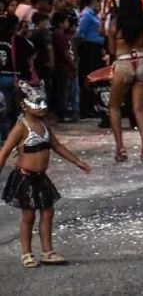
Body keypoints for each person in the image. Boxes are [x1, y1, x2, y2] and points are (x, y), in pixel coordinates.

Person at [0, 82, 91, 268]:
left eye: (44, 102)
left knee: (48, 212)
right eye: (37, 102)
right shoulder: (21, 127)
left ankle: (47, 251)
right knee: (29, 216)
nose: (43, 107)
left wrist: (77, 162)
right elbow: (4, 152)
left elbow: (57, 146)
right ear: (24, 105)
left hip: (41, 178)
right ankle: (26, 253)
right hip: (25, 178)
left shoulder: (45, 125)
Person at [107, 0, 143, 162]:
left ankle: (120, 148)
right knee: (139, 109)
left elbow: (111, 50)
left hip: (123, 65)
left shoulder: (115, 24)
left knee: (114, 107)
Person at [77, 0, 105, 118]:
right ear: (93, 1)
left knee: (96, 77)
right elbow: (80, 33)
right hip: (89, 48)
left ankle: (93, 105)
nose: (100, 4)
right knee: (89, 77)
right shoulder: (86, 15)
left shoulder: (95, 15)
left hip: (97, 48)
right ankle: (85, 107)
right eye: (99, 1)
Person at [51, 12, 79, 122]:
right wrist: (72, 64)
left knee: (68, 91)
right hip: (63, 67)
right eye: (66, 21)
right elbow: (65, 52)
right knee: (63, 91)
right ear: (60, 23)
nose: (68, 24)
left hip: (67, 67)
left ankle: (68, 112)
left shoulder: (65, 36)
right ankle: (62, 113)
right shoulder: (58, 35)